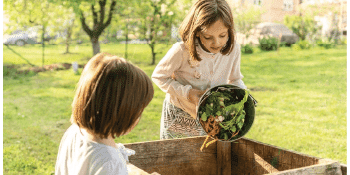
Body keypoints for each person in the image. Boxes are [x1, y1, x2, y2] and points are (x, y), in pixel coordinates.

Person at [152, 0, 247, 140]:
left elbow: (234, 79)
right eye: (208, 37)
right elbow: (159, 76)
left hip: (212, 116)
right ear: (196, 32)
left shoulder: (233, 50)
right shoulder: (181, 51)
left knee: (203, 156)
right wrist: (188, 93)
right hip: (179, 113)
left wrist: (243, 98)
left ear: (230, 30)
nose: (217, 43)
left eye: (223, 35)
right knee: (174, 157)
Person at [55, 53, 154, 175]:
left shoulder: (74, 132)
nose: (139, 117)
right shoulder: (111, 164)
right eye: (139, 111)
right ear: (122, 112)